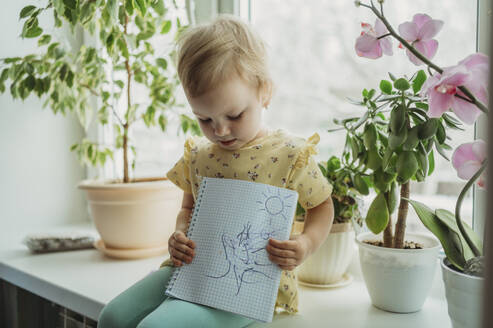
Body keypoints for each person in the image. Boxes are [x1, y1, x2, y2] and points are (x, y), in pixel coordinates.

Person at [98, 14, 334, 328]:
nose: (220, 130)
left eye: (234, 115)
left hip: (250, 286)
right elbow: (188, 208)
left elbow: (322, 206)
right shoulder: (198, 155)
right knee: (111, 317)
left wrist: (305, 244)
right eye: (204, 119)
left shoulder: (290, 154)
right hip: (192, 270)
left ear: (264, 92)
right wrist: (180, 232)